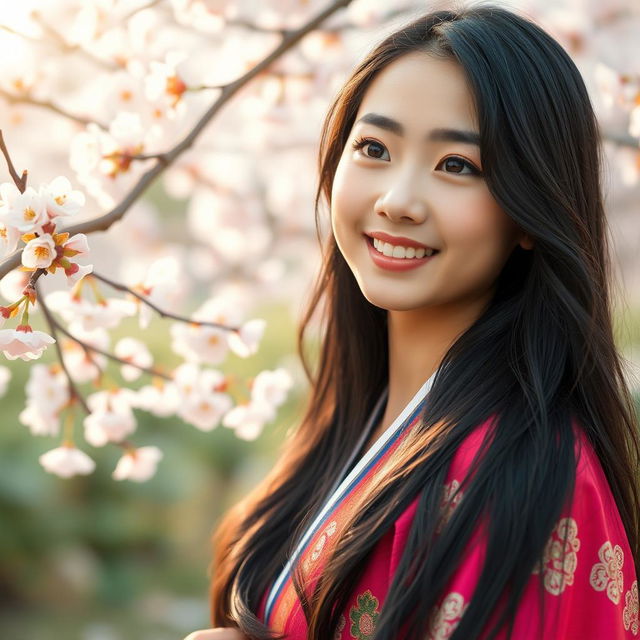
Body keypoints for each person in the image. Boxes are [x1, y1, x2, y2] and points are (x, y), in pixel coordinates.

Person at [183, 4, 640, 639]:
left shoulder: (527, 475)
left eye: (457, 165)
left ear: (532, 212)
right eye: (374, 147)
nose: (396, 200)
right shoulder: (355, 422)